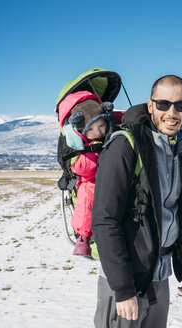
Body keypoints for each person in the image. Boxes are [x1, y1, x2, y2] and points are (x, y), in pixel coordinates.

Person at [92, 75, 182, 327]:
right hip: (126, 280)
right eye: (163, 104)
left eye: (180, 106)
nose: (172, 112)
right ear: (150, 106)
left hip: (160, 278)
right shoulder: (125, 146)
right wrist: (123, 288)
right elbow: (105, 220)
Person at [58, 91, 112, 257]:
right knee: (88, 195)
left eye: (102, 126)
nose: (99, 132)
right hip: (89, 180)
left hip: (110, 177)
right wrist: (94, 153)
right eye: (92, 129)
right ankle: (84, 236)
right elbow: (81, 169)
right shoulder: (77, 145)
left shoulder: (112, 135)